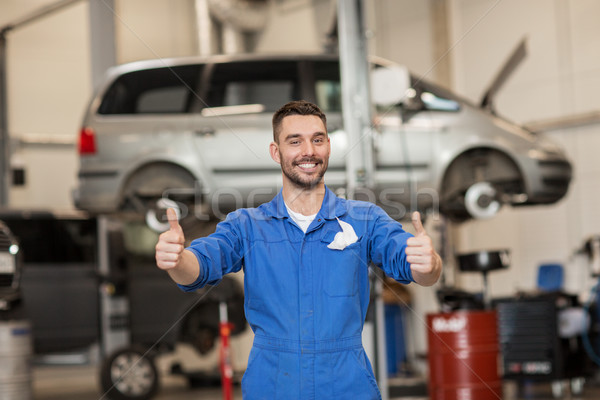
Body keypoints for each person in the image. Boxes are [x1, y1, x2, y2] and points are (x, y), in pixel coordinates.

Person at [155, 100, 442, 399]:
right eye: (295, 141)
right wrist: (177, 259)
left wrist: (428, 263)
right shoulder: (247, 226)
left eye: (317, 140)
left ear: (329, 146)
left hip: (346, 383)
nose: (309, 151)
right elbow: (199, 266)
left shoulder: (364, 219)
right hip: (273, 384)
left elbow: (420, 269)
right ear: (275, 152)